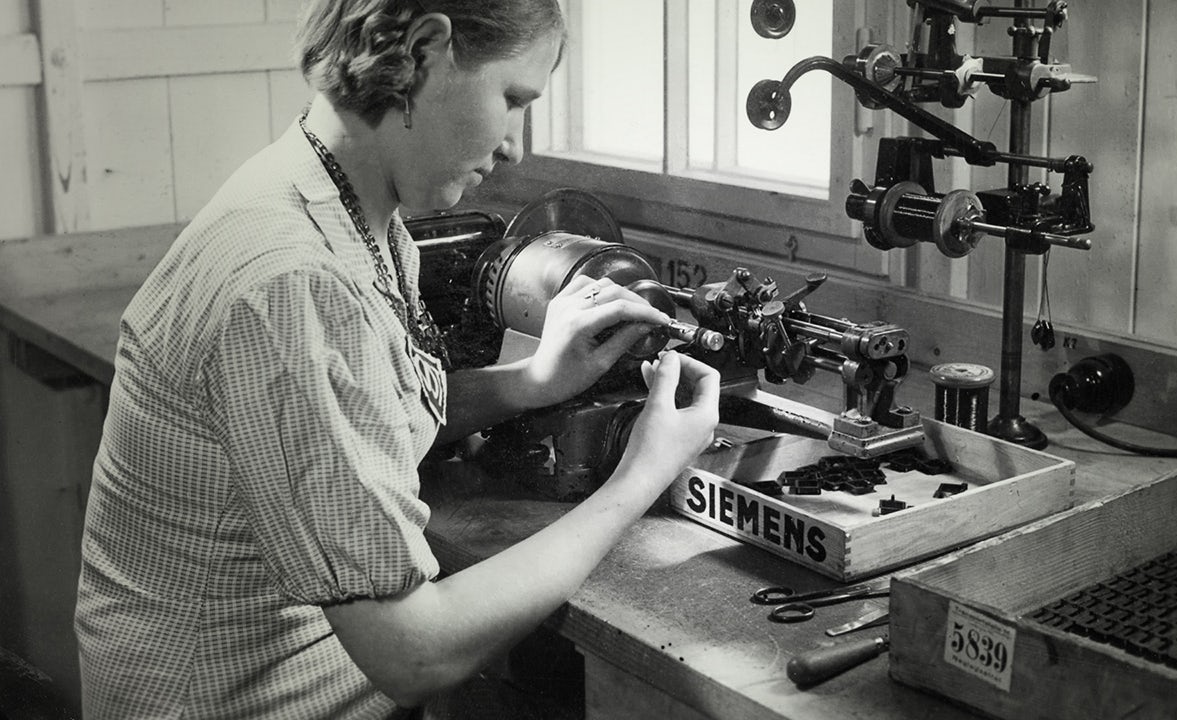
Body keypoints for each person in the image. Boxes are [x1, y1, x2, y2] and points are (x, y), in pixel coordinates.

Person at [74, 0, 721, 717]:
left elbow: (363, 416)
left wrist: (528, 383)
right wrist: (641, 476)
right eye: (512, 99)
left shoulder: (334, 202)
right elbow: (417, 652)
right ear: (423, 52)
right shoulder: (294, 280)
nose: (515, 145)